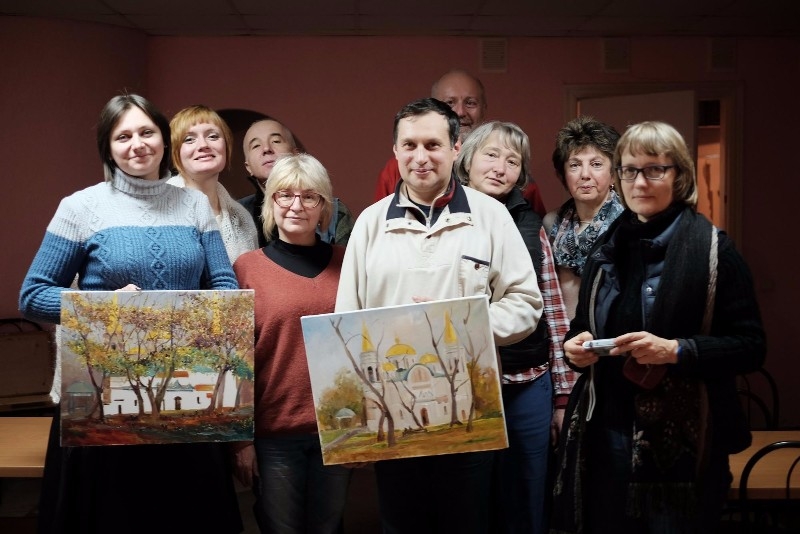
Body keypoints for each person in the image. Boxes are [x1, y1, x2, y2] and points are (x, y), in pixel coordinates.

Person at [18, 93, 243, 534]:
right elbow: (33, 295)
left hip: (184, 388)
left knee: (187, 515)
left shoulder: (195, 206)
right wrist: (105, 309)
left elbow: (224, 284)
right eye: (123, 137)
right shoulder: (80, 207)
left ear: (164, 139)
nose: (137, 144)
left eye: (146, 132)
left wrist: (201, 317)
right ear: (108, 147)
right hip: (106, 394)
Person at [336, 97, 544, 534]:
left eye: (433, 145)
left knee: (467, 520)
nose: (421, 156)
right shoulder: (370, 225)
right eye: (409, 145)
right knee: (402, 522)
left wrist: (466, 326)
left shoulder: (491, 217)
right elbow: (347, 320)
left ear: (455, 148)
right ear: (395, 151)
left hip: (470, 407)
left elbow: (525, 303)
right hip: (394, 412)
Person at [550, 121, 766, 533]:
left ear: (679, 175)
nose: (639, 182)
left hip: (682, 441)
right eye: (629, 170)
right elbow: (580, 326)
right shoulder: (607, 249)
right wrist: (574, 347)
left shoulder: (714, 251)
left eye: (655, 169)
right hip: (605, 428)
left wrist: (677, 350)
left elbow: (751, 346)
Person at [455, 121, 575, 534]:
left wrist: (562, 397)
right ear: (466, 159)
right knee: (469, 502)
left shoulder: (530, 225)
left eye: (513, 161)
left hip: (527, 381)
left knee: (526, 496)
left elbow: (553, 311)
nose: (500, 168)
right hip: (463, 385)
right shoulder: (444, 219)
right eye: (491, 155)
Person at [232, 153, 351, 533]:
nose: (296, 205)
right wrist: (240, 442)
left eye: (309, 196)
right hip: (274, 434)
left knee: (328, 527)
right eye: (285, 195)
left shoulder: (349, 263)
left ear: (324, 207)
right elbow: (235, 361)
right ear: (271, 203)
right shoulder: (246, 268)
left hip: (339, 428)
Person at [372, 68, 547, 217]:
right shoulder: (398, 168)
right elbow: (381, 221)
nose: (460, 112)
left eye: (470, 103)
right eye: (449, 103)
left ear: (484, 109)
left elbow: (534, 232)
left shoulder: (509, 172)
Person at [543, 116, 624, 319]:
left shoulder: (628, 223)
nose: (585, 174)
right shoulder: (551, 222)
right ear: (563, 174)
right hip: (562, 331)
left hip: (612, 332)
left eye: (596, 164)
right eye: (575, 165)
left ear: (613, 174)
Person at [238, 117, 355, 247]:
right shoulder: (237, 213)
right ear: (248, 167)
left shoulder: (334, 210)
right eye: (256, 146)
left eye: (276, 141)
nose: (266, 149)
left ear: (296, 154)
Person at [168, 104, 257, 262]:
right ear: (176, 152)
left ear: (226, 147)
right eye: (189, 139)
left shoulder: (243, 219)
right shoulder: (158, 207)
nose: (203, 145)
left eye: (213, 136)